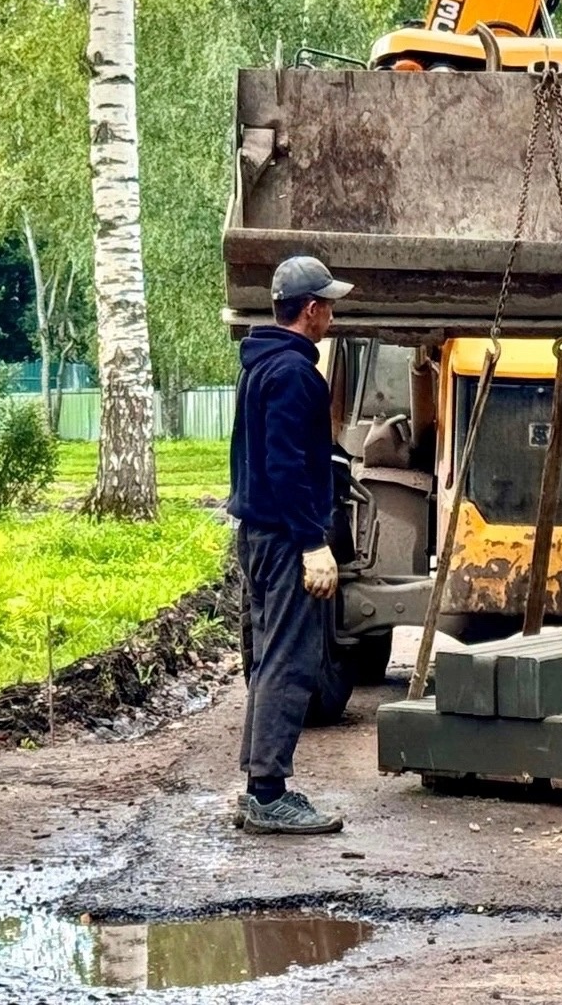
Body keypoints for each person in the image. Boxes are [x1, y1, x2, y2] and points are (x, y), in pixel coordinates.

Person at [228, 255, 351, 835]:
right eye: (328, 304)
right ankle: (268, 794)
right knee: (289, 661)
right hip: (282, 540)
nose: (331, 314)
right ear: (311, 310)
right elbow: (285, 466)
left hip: (257, 535)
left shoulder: (259, 365)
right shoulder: (297, 374)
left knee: (268, 658)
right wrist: (311, 542)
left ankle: (261, 784)